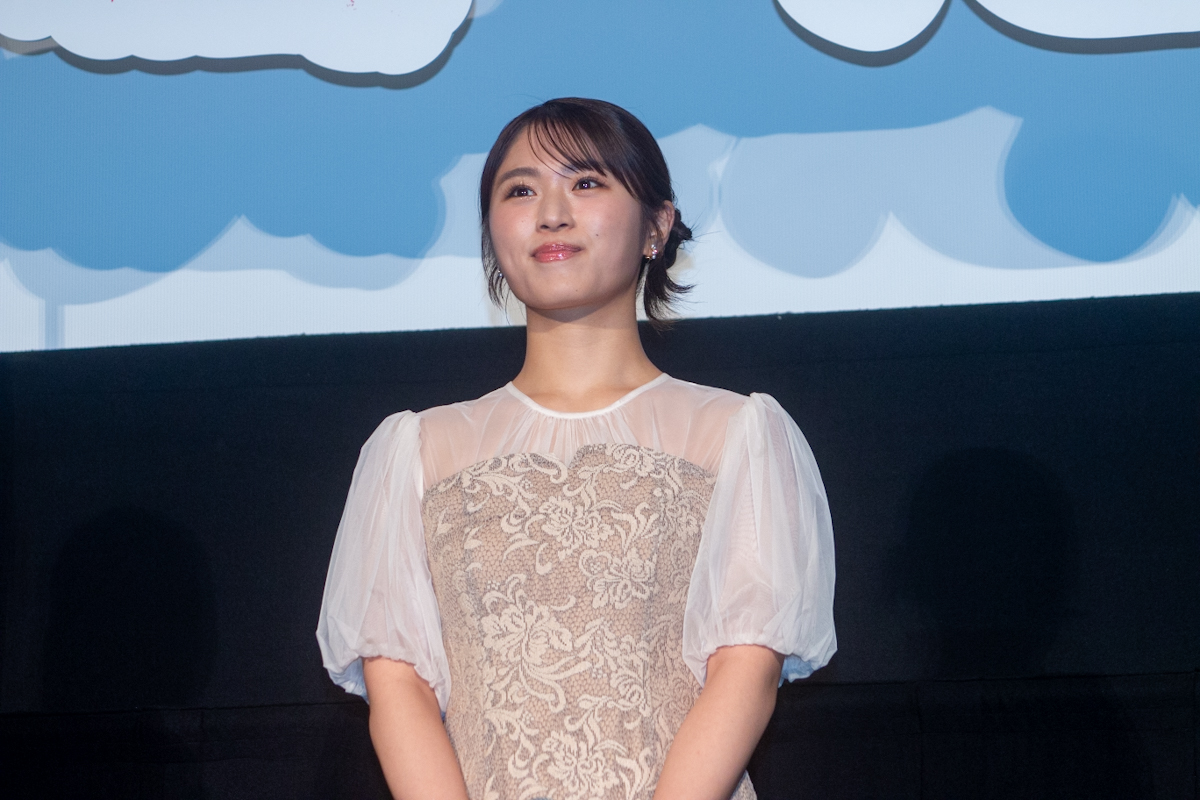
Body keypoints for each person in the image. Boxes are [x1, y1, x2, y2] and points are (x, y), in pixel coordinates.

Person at [316, 98, 836, 800]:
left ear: (657, 225)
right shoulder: (416, 449)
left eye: (587, 182)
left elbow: (747, 665)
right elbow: (397, 681)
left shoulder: (737, 432)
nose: (552, 213)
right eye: (520, 191)